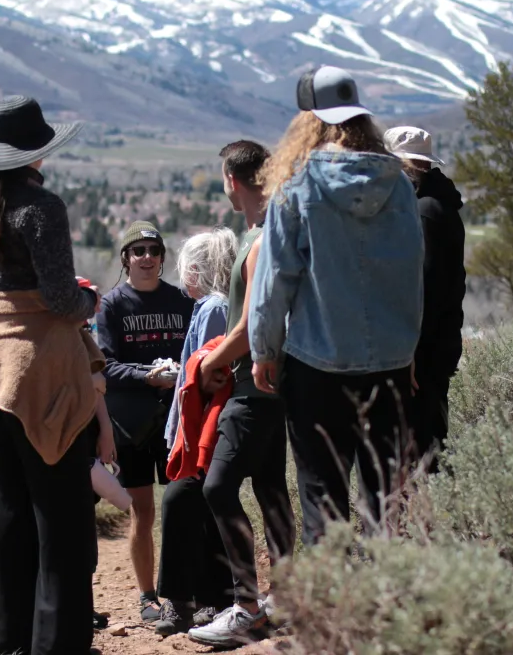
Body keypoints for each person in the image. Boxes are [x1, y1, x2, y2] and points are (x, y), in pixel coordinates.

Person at [248, 66, 424, 549]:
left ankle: (333, 615)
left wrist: (264, 351)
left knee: (322, 500)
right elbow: (413, 274)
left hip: (316, 365)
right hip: (389, 365)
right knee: (386, 500)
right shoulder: (401, 184)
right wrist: (408, 351)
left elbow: (275, 278)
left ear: (311, 120)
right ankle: (386, 610)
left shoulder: (298, 186)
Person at [0, 95, 105, 655]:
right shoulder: (43, 207)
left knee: (12, 513)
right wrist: (90, 302)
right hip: (40, 375)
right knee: (62, 522)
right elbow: (63, 300)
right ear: (35, 151)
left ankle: (9, 641)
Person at [188, 141, 296, 649]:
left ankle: (246, 604)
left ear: (233, 178)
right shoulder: (275, 227)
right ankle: (284, 598)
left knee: (218, 487)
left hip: (252, 386)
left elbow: (251, 319)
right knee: (271, 486)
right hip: (277, 385)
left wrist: (210, 361)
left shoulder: (259, 239)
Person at [96, 221, 195, 623]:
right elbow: (104, 366)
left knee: (182, 506)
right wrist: (146, 376)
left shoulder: (182, 301)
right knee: (142, 510)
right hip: (132, 425)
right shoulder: (112, 305)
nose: (148, 258)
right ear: (126, 258)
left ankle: (183, 592)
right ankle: (147, 596)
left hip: (177, 420)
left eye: (154, 250)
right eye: (138, 251)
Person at [153, 228, 238, 637]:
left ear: (197, 270)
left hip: (205, 429)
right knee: (202, 510)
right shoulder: (214, 306)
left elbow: (207, 375)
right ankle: (213, 599)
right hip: (204, 429)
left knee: (178, 501)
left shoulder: (213, 308)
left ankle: (182, 600)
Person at [384, 125, 466, 459]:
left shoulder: (425, 211)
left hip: (423, 358)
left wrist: (409, 354)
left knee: (418, 453)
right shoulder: (434, 204)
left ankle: (429, 512)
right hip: (433, 350)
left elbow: (425, 290)